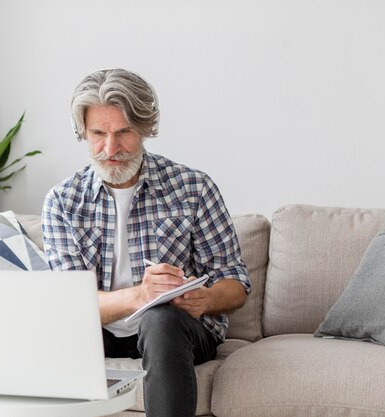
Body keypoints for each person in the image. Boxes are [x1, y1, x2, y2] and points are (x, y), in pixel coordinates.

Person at [41, 68, 250, 417]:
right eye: (97, 134)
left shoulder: (192, 187)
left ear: (145, 129)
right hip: (100, 332)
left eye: (123, 132)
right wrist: (140, 294)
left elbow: (237, 284)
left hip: (179, 331)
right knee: (43, 326)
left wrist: (207, 298)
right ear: (83, 132)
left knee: (160, 318)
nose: (110, 148)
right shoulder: (62, 201)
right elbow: (71, 303)